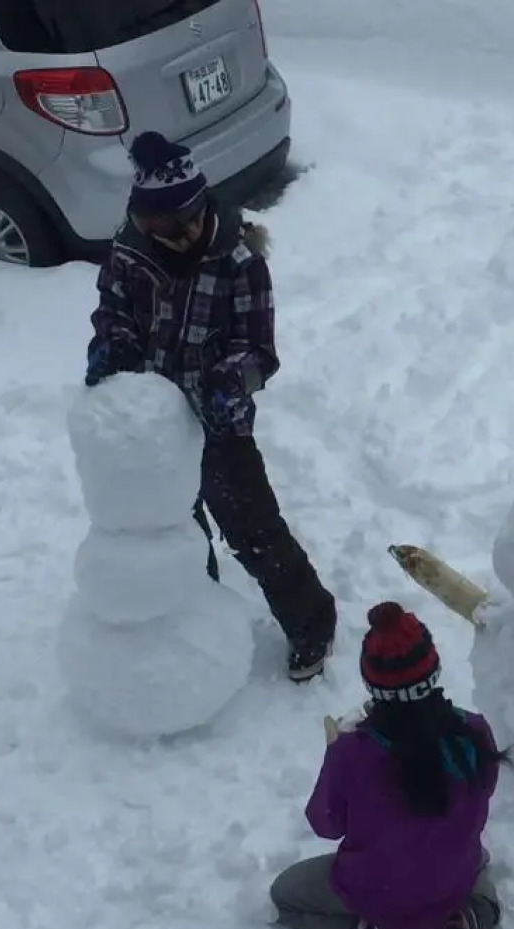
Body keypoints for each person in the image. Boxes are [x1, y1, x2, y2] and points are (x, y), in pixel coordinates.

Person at [84, 130, 337, 682]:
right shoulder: (130, 252)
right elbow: (113, 311)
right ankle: (197, 620)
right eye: (165, 229)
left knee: (254, 531)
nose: (182, 237)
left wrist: (230, 380)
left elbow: (259, 351)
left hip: (221, 425)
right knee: (177, 530)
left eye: (189, 223)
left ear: (203, 207)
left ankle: (312, 622)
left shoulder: (239, 261)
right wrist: (113, 347)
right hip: (155, 428)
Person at [270, 601, 509, 929]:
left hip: (374, 889)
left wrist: (334, 750)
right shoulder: (474, 731)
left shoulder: (353, 752)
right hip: (452, 877)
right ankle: (467, 920)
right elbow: (484, 789)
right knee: (481, 871)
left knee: (286, 896)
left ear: (372, 687)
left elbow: (326, 823)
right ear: (434, 673)